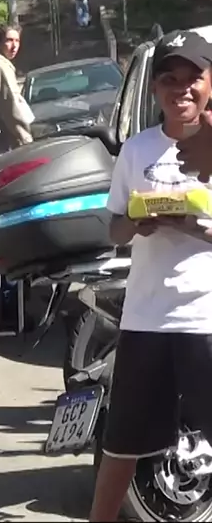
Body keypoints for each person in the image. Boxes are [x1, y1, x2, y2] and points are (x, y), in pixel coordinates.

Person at [89, 29, 212, 522]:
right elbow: (114, 229)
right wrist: (136, 223)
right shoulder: (137, 151)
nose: (181, 89)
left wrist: (195, 226)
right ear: (155, 88)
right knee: (122, 444)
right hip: (145, 320)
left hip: (205, 318)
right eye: (169, 79)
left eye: (192, 78)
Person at [0, 24, 33, 153]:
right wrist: (27, 140)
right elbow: (11, 107)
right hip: (7, 145)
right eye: (9, 40)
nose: (14, 46)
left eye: (17, 41)